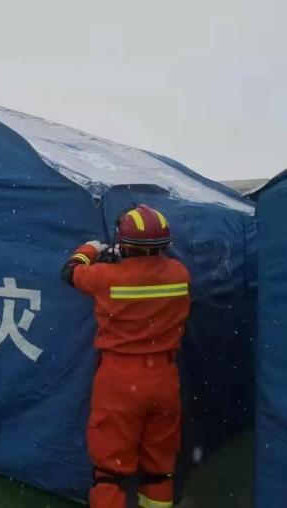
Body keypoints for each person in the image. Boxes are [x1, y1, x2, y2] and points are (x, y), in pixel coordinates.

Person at [61, 204, 191, 508]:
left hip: (119, 380)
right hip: (165, 377)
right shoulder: (180, 273)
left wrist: (90, 249)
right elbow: (150, 274)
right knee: (159, 468)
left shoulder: (105, 277)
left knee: (111, 471)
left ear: (124, 243)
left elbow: (69, 272)